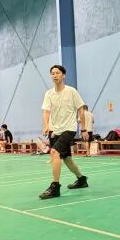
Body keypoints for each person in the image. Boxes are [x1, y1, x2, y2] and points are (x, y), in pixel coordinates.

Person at [39, 64, 89, 199]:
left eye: (57, 73)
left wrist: (83, 128)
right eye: (52, 73)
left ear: (63, 75)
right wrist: (46, 126)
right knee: (67, 159)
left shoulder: (71, 91)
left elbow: (81, 109)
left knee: (54, 152)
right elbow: (46, 111)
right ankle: (82, 179)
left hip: (69, 128)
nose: (55, 75)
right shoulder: (49, 94)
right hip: (55, 130)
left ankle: (55, 187)